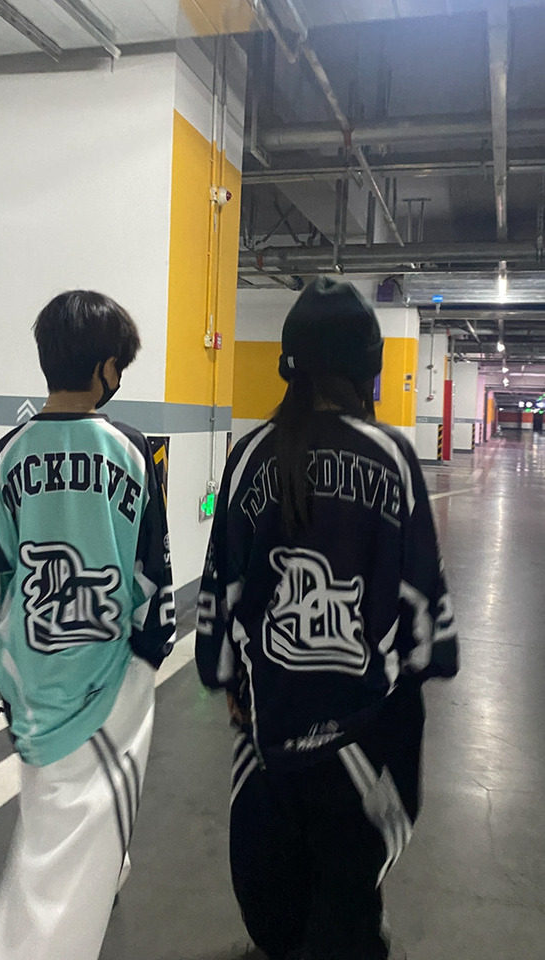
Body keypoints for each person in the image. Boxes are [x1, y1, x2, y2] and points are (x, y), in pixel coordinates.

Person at [195, 277, 458, 960]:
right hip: (365, 732)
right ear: (368, 367)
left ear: (290, 363)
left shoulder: (249, 456)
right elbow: (421, 597)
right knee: (347, 901)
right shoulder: (391, 456)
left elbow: (223, 583)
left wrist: (226, 677)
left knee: (271, 896)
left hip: (269, 725)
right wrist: (421, 668)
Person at [0, 290, 176, 960]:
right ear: (106, 368)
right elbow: (153, 568)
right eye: (120, 367)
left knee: (48, 796)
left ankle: (104, 867)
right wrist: (153, 646)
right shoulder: (131, 451)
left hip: (32, 668)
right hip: (108, 670)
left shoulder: (10, 452)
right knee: (86, 810)